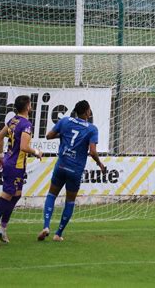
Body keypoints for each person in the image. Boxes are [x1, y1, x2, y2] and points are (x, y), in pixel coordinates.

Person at [38, 100, 105, 242]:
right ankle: (58, 234)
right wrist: (100, 164)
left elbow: (49, 136)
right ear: (87, 112)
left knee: (51, 195)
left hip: (61, 166)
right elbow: (92, 152)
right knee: (70, 201)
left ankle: (46, 226)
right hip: (75, 170)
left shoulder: (65, 121)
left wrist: (62, 135)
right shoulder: (92, 129)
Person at [0, 95, 42, 245]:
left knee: (16, 195)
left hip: (14, 163)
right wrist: (36, 152)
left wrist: (1, 156)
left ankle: (2, 228)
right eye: (30, 104)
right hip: (15, 165)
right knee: (7, 195)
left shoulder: (13, 120)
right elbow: (23, 146)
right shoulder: (26, 124)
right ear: (28, 106)